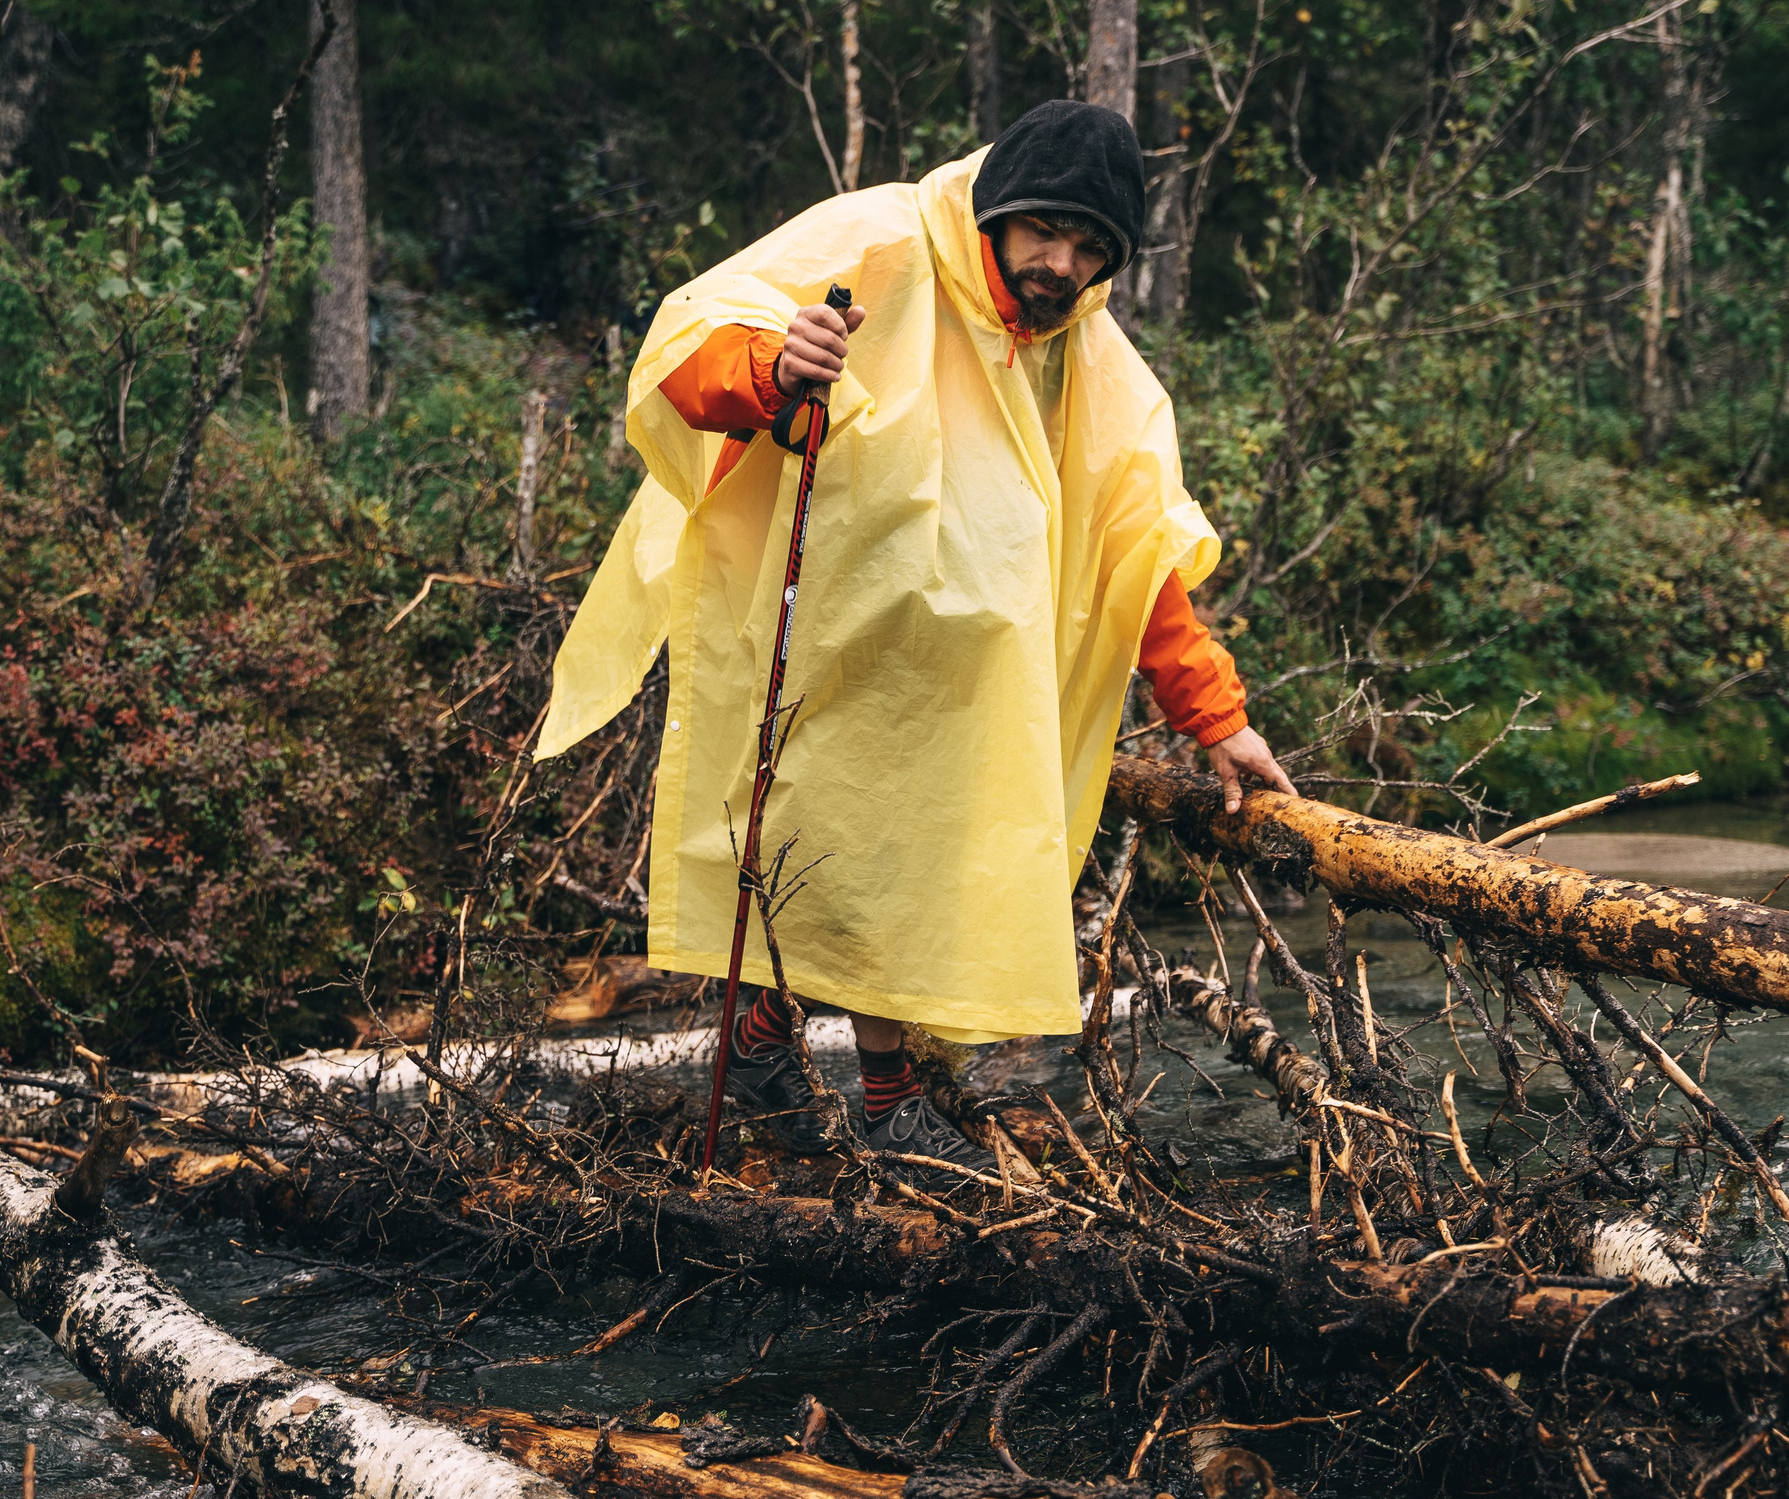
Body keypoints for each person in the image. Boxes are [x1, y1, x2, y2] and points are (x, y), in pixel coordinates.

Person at [537, 101, 1292, 1166]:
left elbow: (1137, 546)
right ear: (1001, 212)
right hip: (839, 624)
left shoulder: (1081, 345)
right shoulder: (879, 243)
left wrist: (1213, 716)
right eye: (1046, 233)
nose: (1060, 264)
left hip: (971, 677)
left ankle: (850, 1079)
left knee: (933, 859)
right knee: (818, 839)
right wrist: (773, 365)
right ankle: (807, 1062)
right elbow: (693, 349)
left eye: (1087, 249)